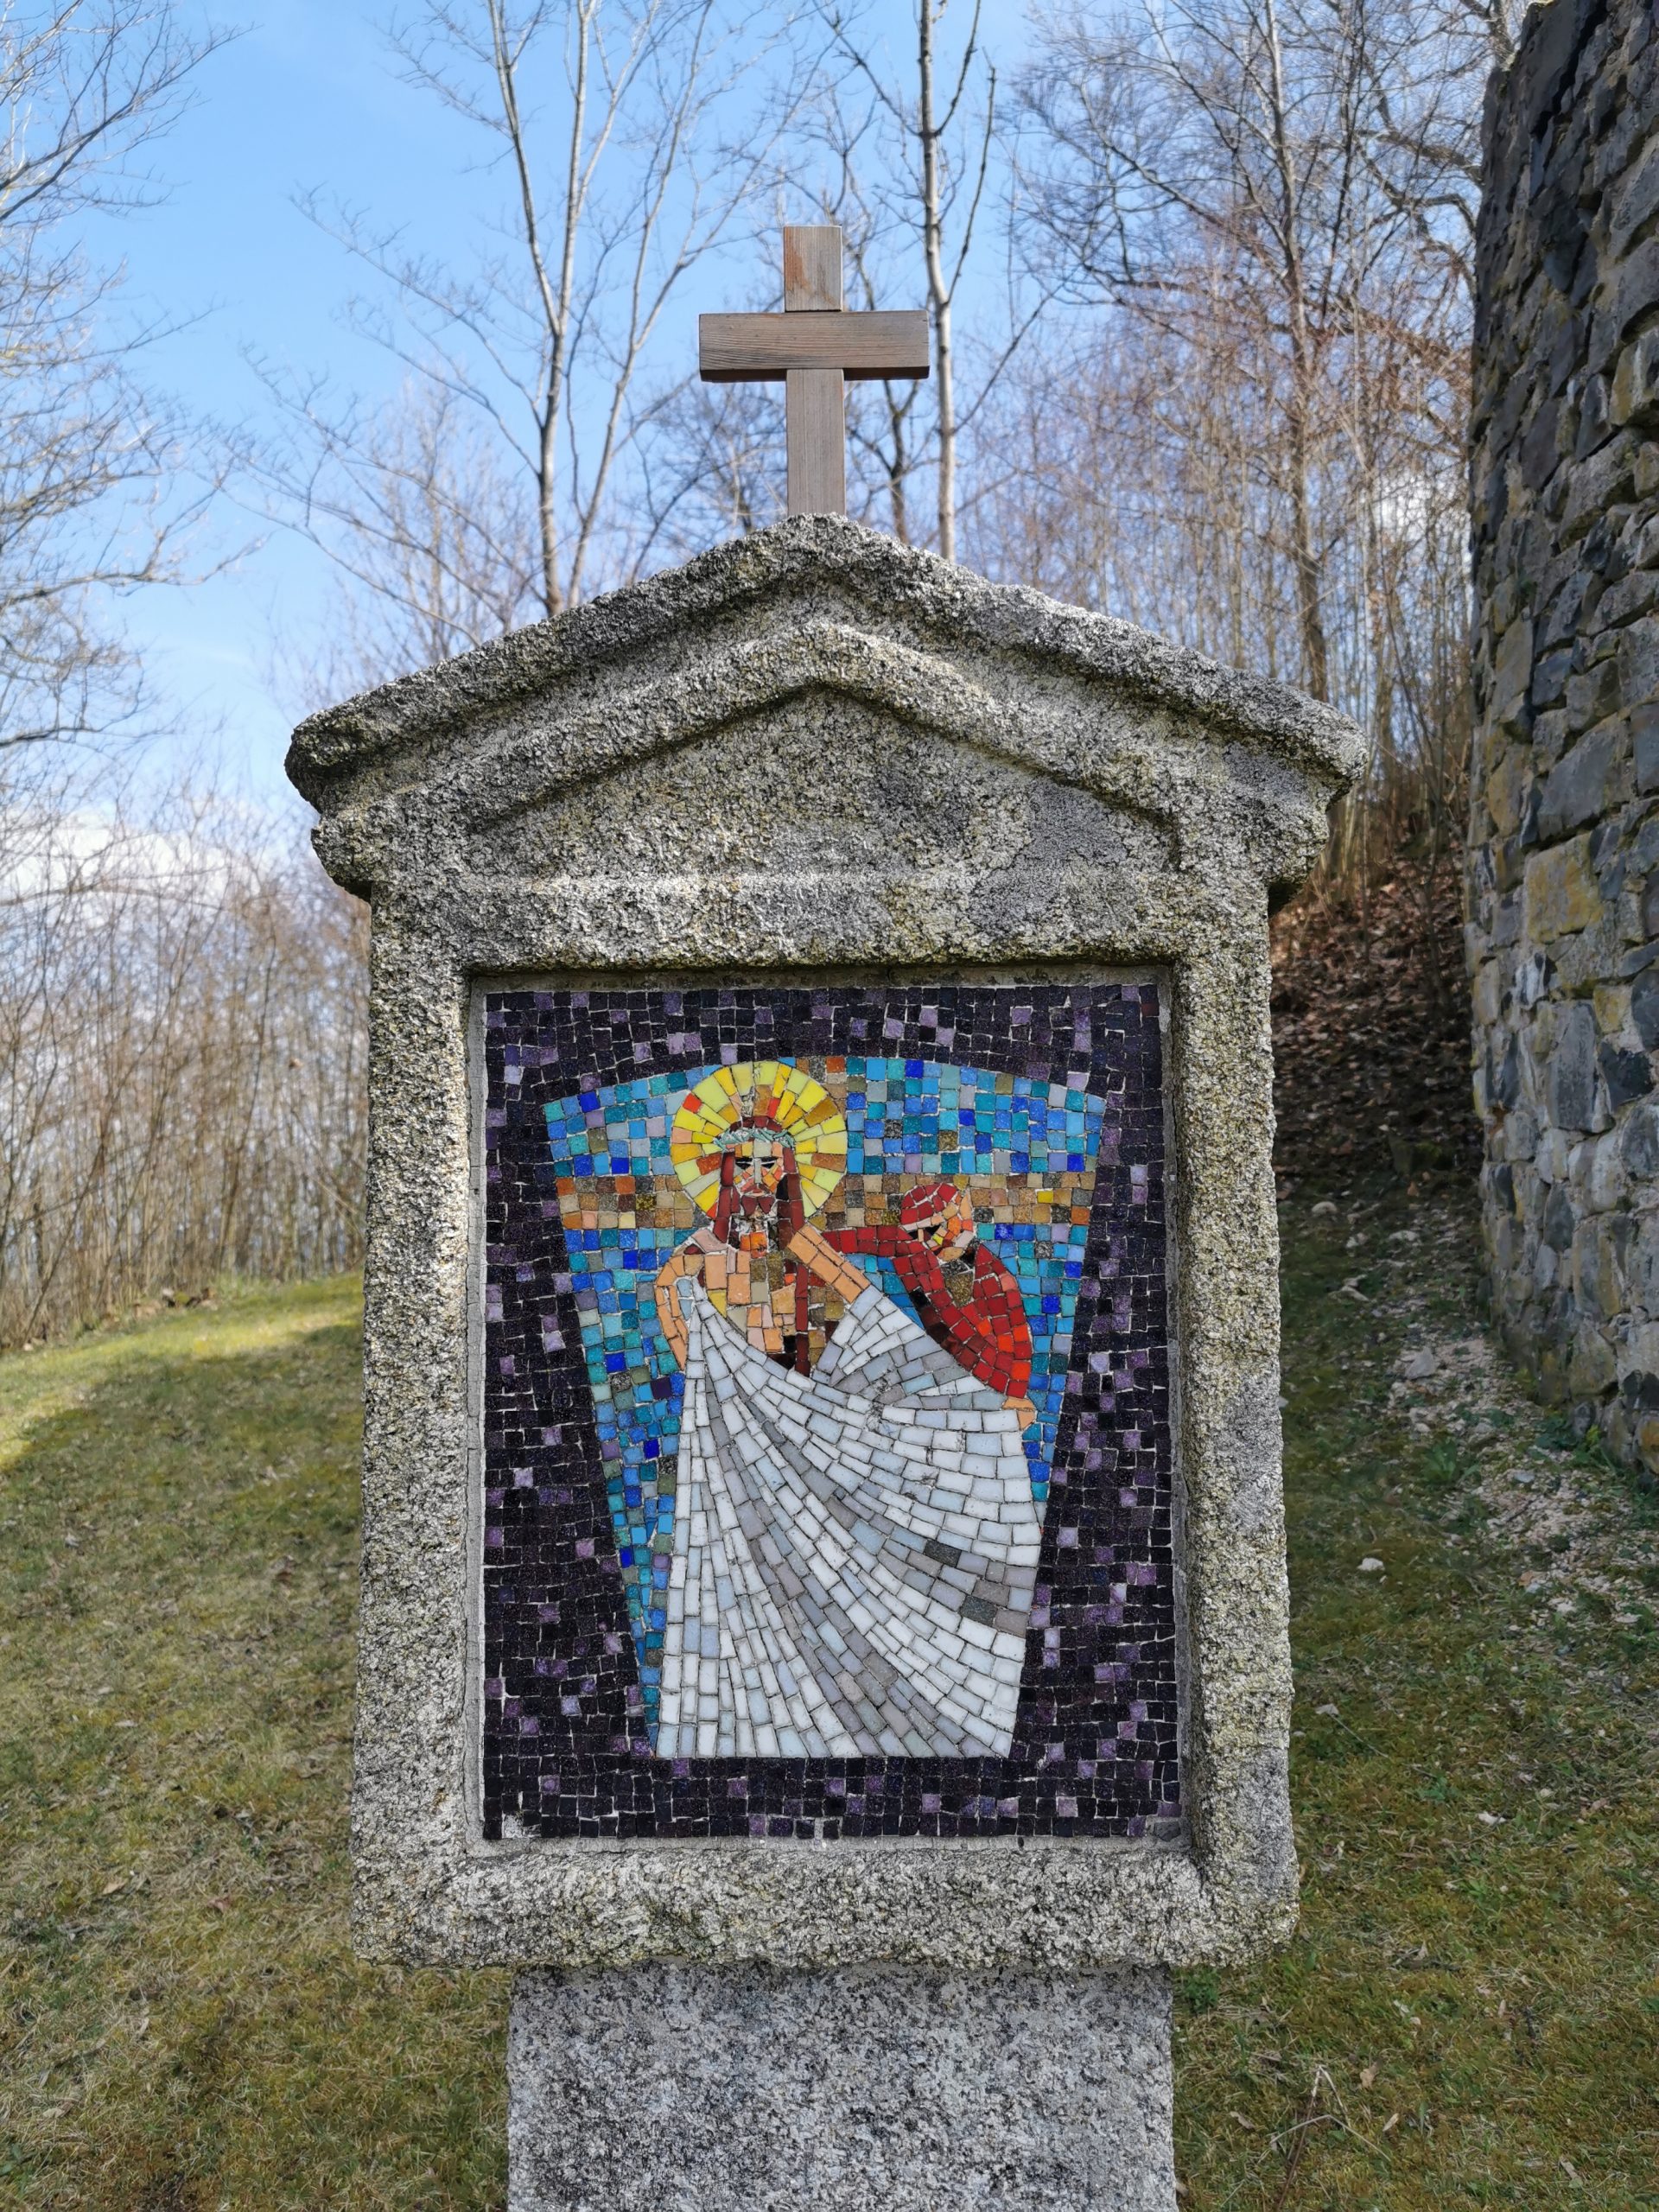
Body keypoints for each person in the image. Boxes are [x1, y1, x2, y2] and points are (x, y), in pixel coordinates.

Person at [649, 1115, 1043, 1762]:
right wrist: (703, 1366)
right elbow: (666, 1290)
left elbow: (862, 1304)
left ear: (788, 1174)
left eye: (770, 1165)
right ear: (723, 1172)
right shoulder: (698, 1253)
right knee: (746, 1564)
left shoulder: (801, 1242)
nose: (756, 1178)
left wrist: (964, 1395)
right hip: (736, 1423)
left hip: (807, 1410)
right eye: (743, 1164)